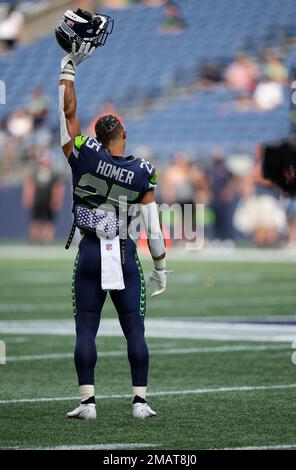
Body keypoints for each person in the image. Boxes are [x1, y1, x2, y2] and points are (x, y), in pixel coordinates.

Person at [58, 41, 170, 419]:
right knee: (134, 330)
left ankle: (88, 402)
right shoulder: (142, 170)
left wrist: (68, 70)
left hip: (90, 250)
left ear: (99, 137)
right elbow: (153, 227)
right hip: (123, 254)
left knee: (85, 329)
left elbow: (68, 116)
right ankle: (140, 401)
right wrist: (161, 265)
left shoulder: (86, 154)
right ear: (123, 132)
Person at [22, 152, 65, 244]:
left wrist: (56, 200)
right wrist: (28, 197)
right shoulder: (35, 172)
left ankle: (47, 240)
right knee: (35, 219)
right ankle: (34, 239)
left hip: (49, 201)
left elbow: (57, 187)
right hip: (37, 200)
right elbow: (30, 185)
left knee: (49, 220)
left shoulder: (53, 174)